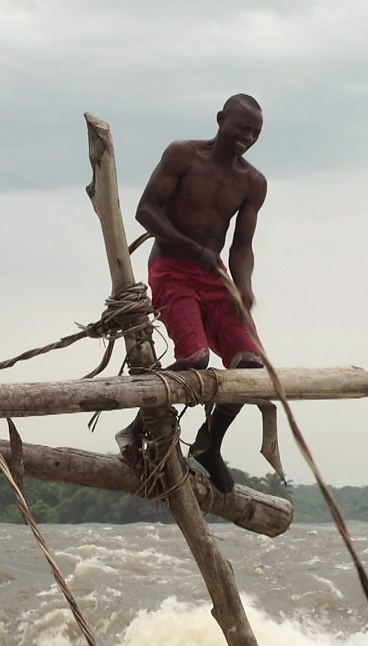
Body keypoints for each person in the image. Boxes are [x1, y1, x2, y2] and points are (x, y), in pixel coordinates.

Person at [116, 93, 267, 493]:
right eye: (241, 127)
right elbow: (146, 210)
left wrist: (244, 287)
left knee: (250, 365)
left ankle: (208, 446)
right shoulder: (183, 155)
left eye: (255, 132)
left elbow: (241, 247)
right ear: (220, 120)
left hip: (214, 276)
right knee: (196, 358)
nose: (247, 137)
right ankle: (135, 427)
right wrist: (195, 250)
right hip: (171, 268)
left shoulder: (252, 182)